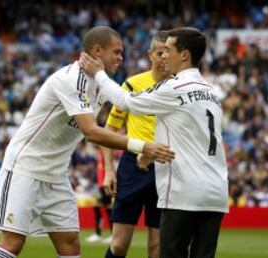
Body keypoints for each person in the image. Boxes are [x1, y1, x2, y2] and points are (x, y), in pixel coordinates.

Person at [0, 26, 175, 258]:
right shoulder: (71, 80)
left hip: (55, 174)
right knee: (13, 242)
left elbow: (125, 101)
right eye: (116, 52)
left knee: (70, 245)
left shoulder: (100, 82)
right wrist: (142, 146)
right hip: (25, 168)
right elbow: (91, 132)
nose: (121, 58)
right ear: (97, 51)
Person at [79, 27, 229, 258]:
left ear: (184, 55)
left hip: (184, 192)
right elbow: (191, 136)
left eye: (168, 50)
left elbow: (124, 100)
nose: (163, 55)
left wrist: (99, 73)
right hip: (215, 192)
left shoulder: (173, 88)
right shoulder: (211, 93)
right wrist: (147, 152)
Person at [101, 31, 170, 258]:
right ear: (150, 54)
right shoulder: (132, 86)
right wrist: (109, 171)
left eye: (168, 52)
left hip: (165, 167)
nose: (164, 57)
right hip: (133, 166)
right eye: (160, 52)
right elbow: (109, 132)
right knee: (119, 245)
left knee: (157, 248)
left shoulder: (179, 88)